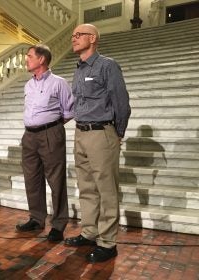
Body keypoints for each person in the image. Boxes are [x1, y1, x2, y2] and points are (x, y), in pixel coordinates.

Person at [64, 24, 131, 263]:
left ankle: (108, 242)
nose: (73, 39)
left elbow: (121, 102)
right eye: (72, 35)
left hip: (102, 133)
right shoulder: (79, 69)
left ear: (92, 38)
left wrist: (117, 134)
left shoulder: (107, 65)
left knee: (106, 189)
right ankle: (90, 232)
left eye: (78, 35)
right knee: (87, 187)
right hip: (80, 133)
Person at [15, 44, 74, 242]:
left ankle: (58, 225)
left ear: (41, 59)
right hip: (29, 136)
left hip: (50, 134)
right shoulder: (28, 85)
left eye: (30, 56)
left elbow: (69, 110)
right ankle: (36, 218)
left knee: (56, 180)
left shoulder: (59, 83)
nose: (26, 59)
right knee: (31, 179)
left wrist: (53, 126)